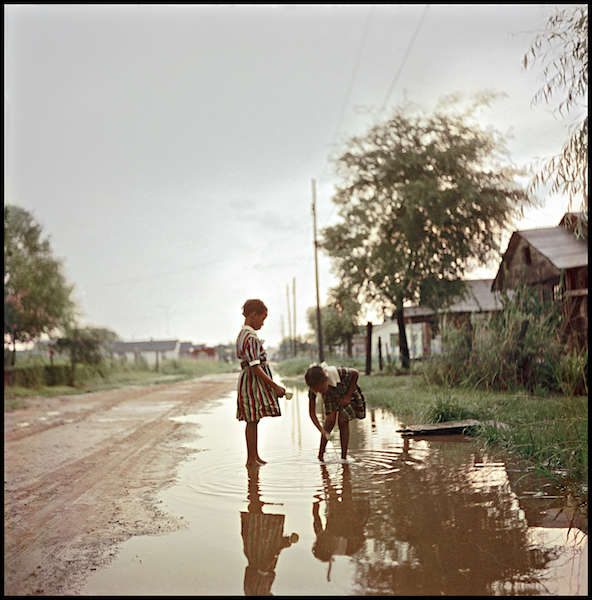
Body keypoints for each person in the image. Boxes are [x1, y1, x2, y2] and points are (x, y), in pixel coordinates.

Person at [237, 299, 285, 467]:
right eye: (262, 320)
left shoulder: (247, 335)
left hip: (252, 380)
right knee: (252, 419)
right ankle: (251, 459)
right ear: (254, 315)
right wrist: (274, 385)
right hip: (252, 381)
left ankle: (254, 456)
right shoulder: (249, 337)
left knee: (254, 419)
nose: (263, 324)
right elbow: (255, 366)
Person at [305, 362, 366, 461]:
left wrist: (348, 396)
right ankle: (320, 456)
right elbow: (312, 413)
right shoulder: (314, 387)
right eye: (317, 391)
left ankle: (344, 457)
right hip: (330, 396)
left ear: (325, 378)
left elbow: (355, 373)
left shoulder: (339, 373)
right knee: (329, 421)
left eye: (321, 389)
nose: (320, 392)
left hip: (346, 391)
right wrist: (322, 431)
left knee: (343, 421)